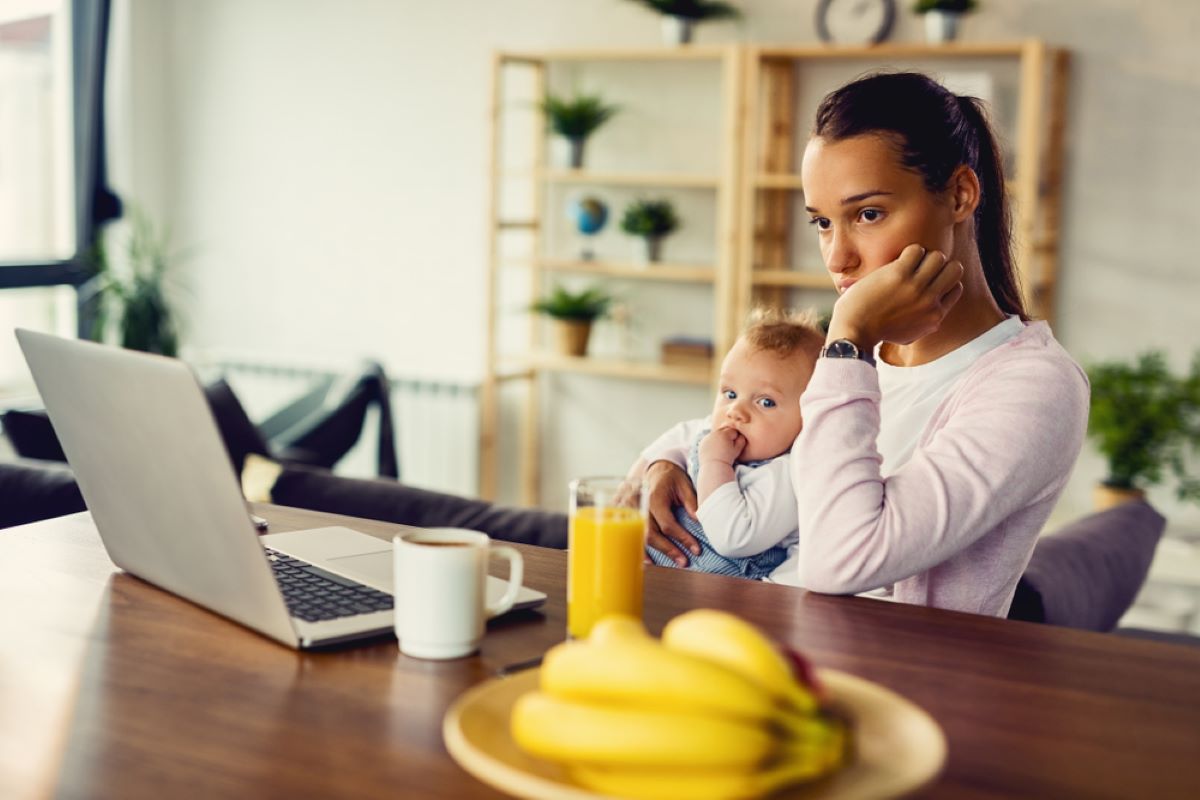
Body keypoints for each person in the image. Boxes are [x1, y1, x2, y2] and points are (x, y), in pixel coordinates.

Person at [641, 72, 1089, 616]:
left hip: (898, 687)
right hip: (760, 652)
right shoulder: (856, 353)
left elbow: (841, 561)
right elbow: (747, 428)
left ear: (961, 195)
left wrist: (848, 340)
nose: (836, 258)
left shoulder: (1031, 385)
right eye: (823, 223)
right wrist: (662, 465)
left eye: (868, 214)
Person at [627, 310, 824, 579]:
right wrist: (669, 460)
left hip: (716, 589)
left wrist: (715, 463)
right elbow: (654, 464)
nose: (735, 411)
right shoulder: (711, 433)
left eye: (765, 402)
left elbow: (733, 538)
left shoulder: (789, 475)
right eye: (729, 393)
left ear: (809, 416)